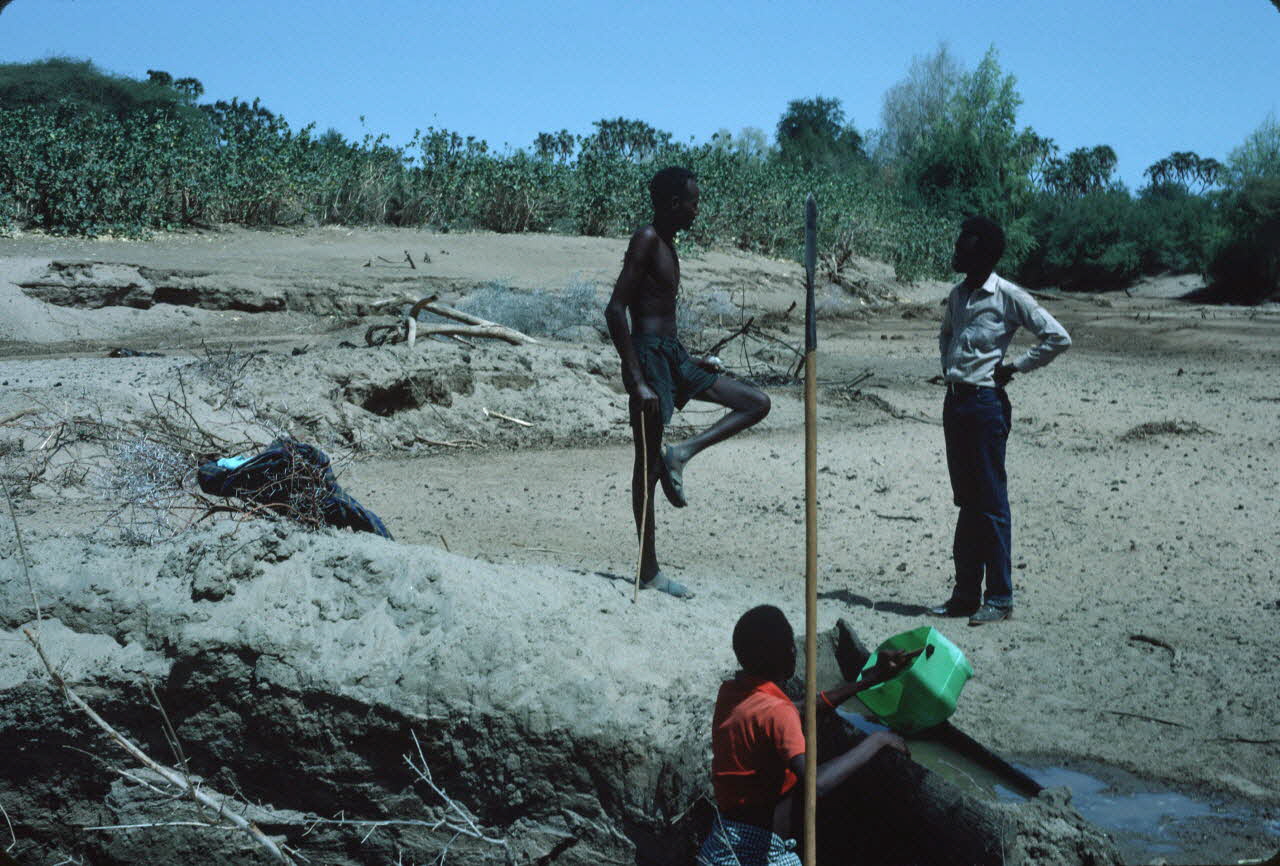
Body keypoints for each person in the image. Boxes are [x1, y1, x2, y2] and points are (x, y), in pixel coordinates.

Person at [604, 166, 770, 599]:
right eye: (693, 201)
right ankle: (649, 570)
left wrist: (692, 360)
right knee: (646, 466)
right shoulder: (645, 240)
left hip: (673, 355)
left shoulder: (670, 246)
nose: (698, 209)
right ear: (674, 204)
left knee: (755, 402)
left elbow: (660, 313)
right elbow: (615, 309)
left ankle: (682, 452)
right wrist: (636, 379)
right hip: (649, 360)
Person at [931, 216, 1071, 626]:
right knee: (967, 503)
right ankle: (964, 595)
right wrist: (949, 367)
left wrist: (1015, 367)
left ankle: (1000, 597)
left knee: (991, 504)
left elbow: (1057, 337)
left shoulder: (1008, 296)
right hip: (955, 405)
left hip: (985, 407)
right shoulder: (958, 295)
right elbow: (945, 334)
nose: (956, 252)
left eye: (962, 247)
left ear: (981, 254)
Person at [698, 605, 912, 865]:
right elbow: (817, 783)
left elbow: (798, 709)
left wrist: (872, 678)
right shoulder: (778, 713)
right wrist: (877, 741)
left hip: (721, 844)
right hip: (759, 855)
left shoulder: (731, 693)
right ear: (790, 652)